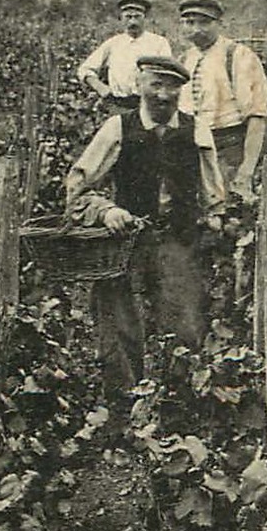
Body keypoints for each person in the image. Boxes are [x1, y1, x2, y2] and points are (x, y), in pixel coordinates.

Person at [64, 55, 224, 420]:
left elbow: (215, 193)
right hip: (125, 243)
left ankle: (176, 409)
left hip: (177, 239)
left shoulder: (196, 130)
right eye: (156, 84)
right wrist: (106, 211)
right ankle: (123, 409)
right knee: (120, 324)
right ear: (139, 85)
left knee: (185, 323)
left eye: (172, 87)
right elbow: (76, 186)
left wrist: (214, 219)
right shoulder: (117, 128)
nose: (164, 95)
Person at [176, 0, 267, 200]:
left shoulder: (237, 55)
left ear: (219, 24)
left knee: (228, 213)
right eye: (190, 22)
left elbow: (256, 115)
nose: (196, 29)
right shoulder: (184, 59)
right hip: (192, 148)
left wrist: (246, 170)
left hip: (228, 148)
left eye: (204, 22)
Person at [75, 0, 173, 110]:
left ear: (145, 18)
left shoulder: (159, 43)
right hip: (118, 105)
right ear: (121, 18)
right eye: (128, 17)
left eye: (137, 17)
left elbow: (169, 74)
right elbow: (85, 69)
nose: (133, 22)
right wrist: (101, 88)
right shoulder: (113, 43)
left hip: (149, 105)